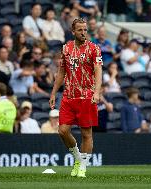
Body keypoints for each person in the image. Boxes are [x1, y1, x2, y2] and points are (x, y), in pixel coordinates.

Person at [49, 18, 103, 178]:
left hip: (86, 96)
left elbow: (98, 70)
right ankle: (78, 158)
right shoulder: (66, 48)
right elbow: (61, 72)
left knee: (86, 134)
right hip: (68, 96)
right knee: (62, 131)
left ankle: (83, 167)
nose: (83, 33)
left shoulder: (94, 49)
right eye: (80, 30)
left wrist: (97, 91)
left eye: (85, 30)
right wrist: (53, 93)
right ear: (73, 31)